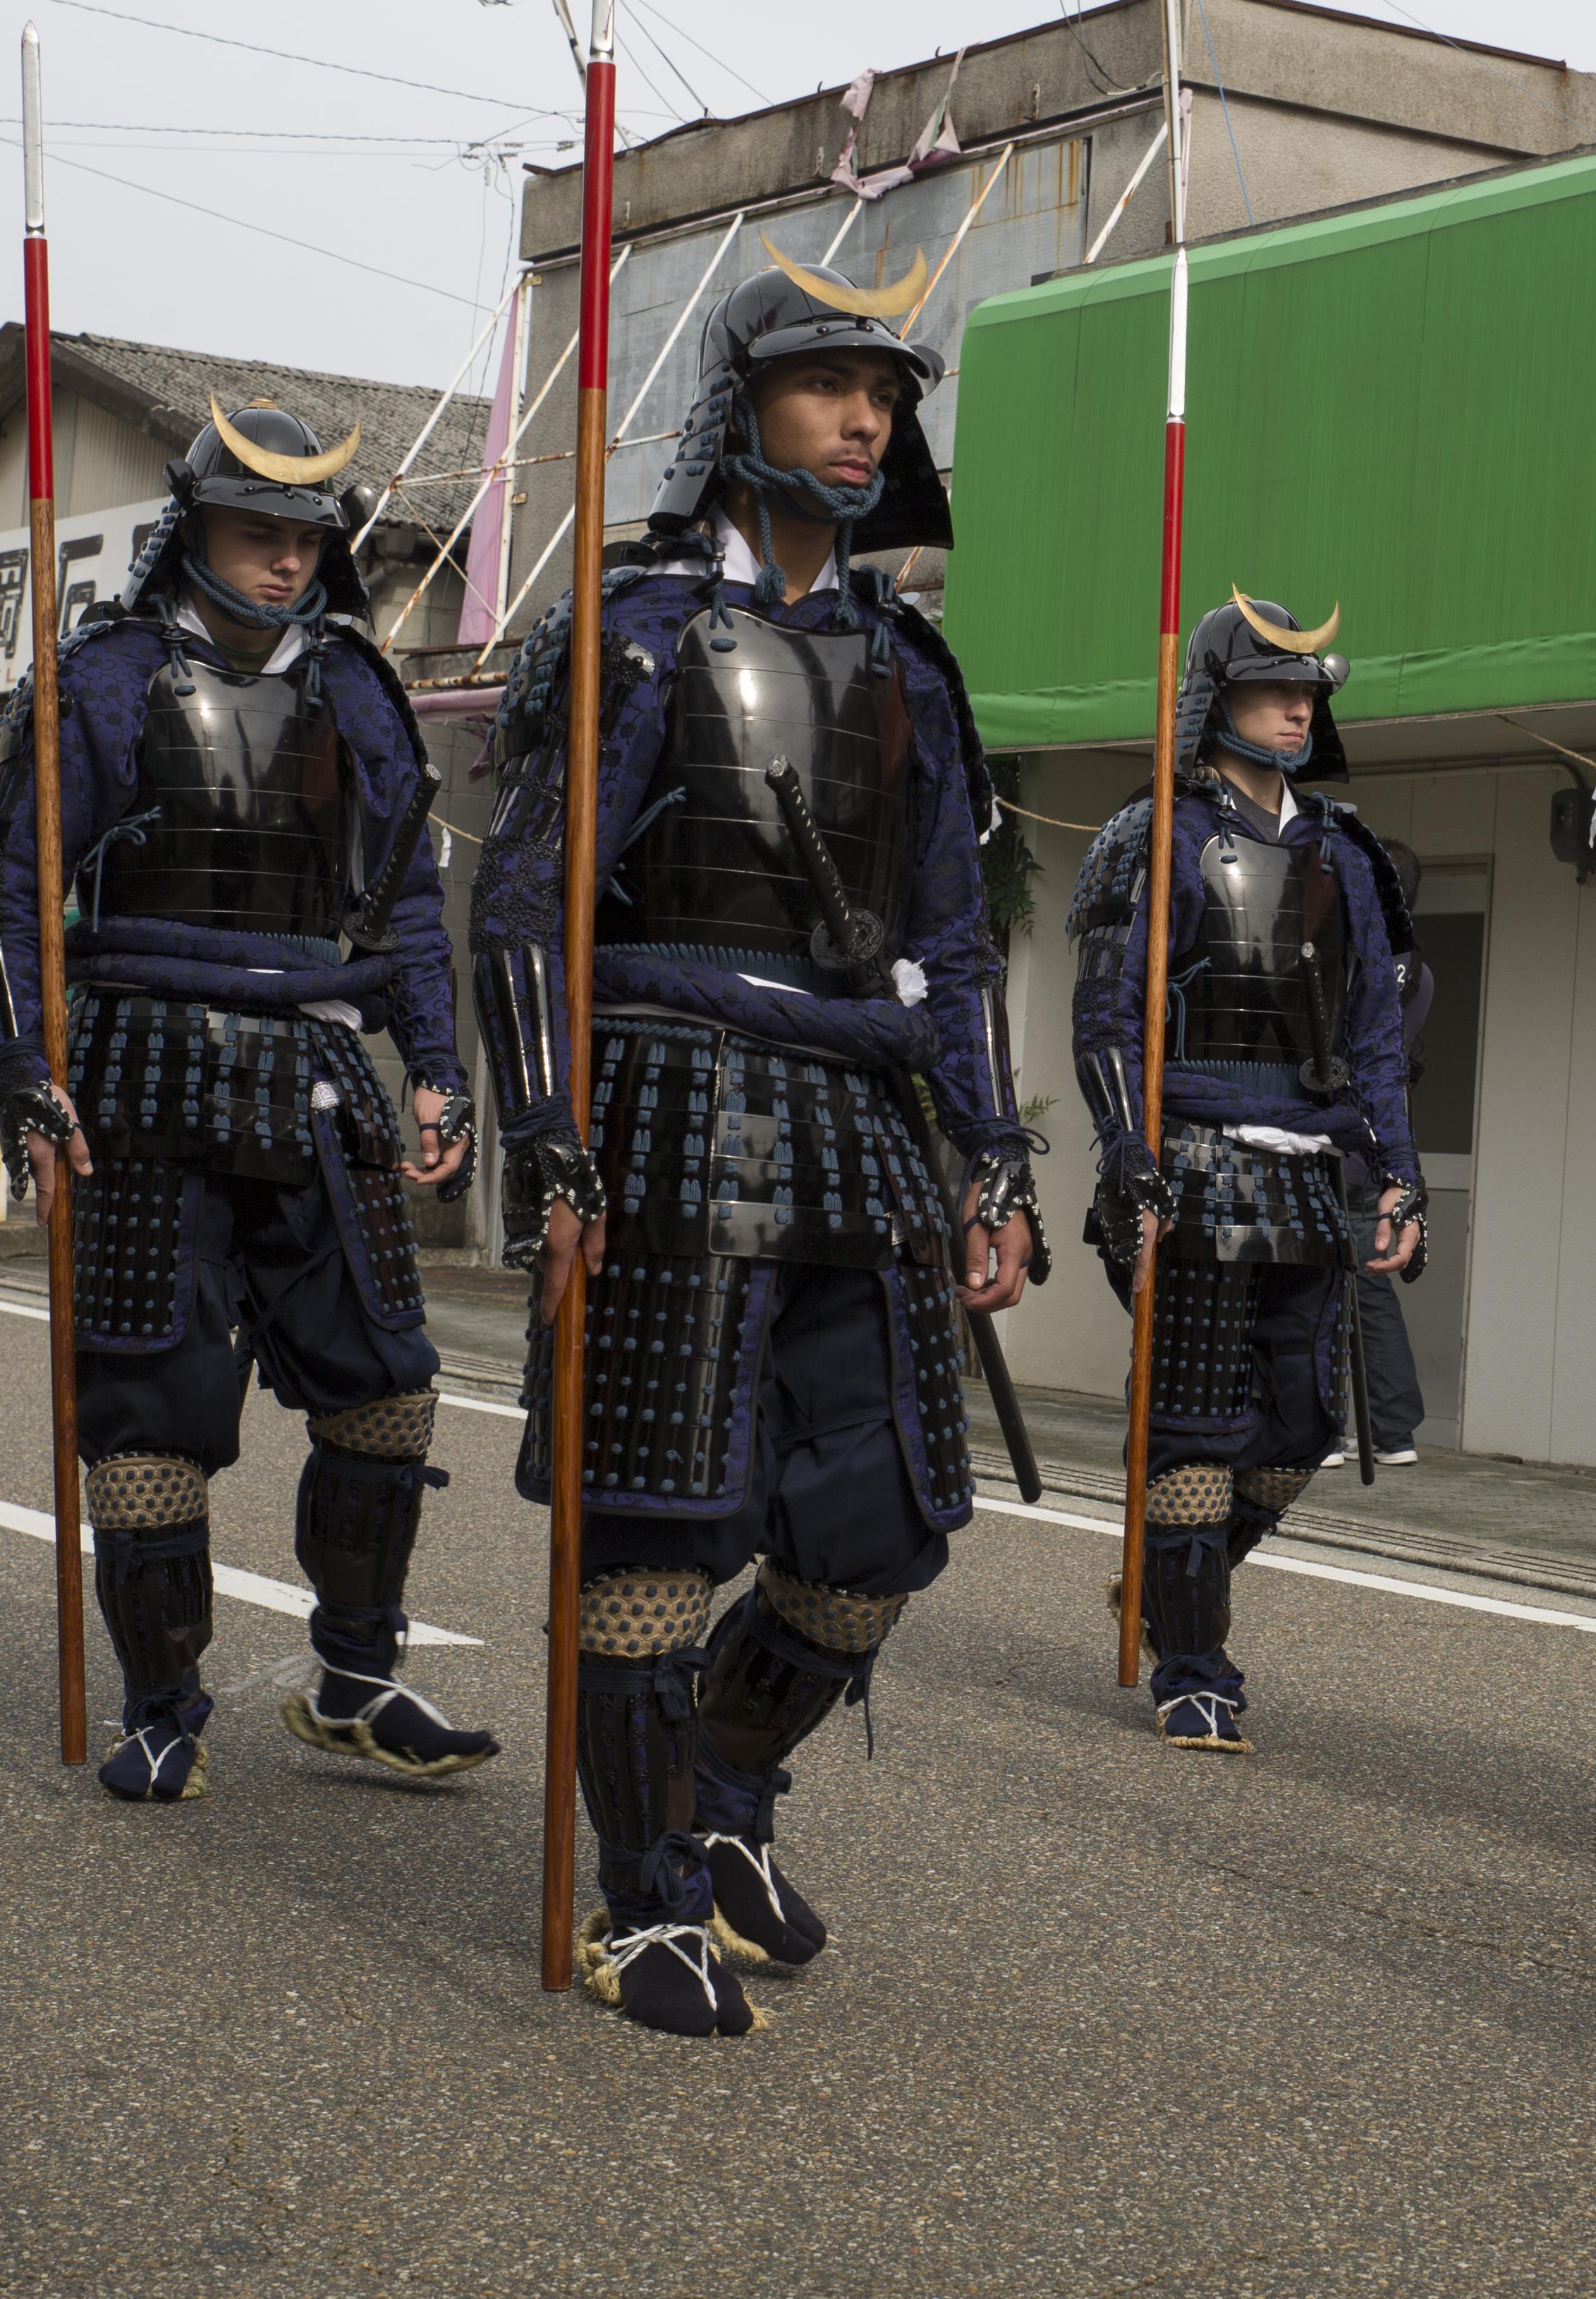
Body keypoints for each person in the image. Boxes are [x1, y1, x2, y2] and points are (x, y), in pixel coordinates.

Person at [470, 249, 1041, 2039]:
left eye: (887, 393)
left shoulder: (908, 668)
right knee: (655, 1532)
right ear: (742, 410)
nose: (867, 418)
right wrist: (551, 1149)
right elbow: (523, 902)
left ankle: (717, 1791)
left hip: (859, 1124)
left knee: (878, 1532)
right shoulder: (634, 633)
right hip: (668, 1098)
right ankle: (640, 1903)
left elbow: (952, 932)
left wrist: (992, 1156)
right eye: (827, 385)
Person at [0, 400, 485, 1807]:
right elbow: (15, 896)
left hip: (322, 1078)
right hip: (141, 1077)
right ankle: (160, 1704)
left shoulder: (364, 693)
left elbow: (407, 912)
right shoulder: (105, 679)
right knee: (148, 1422)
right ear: (192, 526)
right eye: (256, 528)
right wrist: (28, 1070)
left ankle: (357, 1679)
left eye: (306, 534)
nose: (282, 557)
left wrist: (434, 1062)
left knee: (388, 1394)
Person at [1066, 593, 1423, 1752]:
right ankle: (1192, 1660)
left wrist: (1400, 1175)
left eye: (1311, 690)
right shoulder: (1154, 833)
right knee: (1194, 1425)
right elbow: (1109, 1012)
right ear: (1215, 698)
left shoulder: (1346, 854)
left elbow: (1374, 1029)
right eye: (1274, 687)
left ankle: (1175, 1583)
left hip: (1313, 1177)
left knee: (1303, 1421)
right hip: (1196, 1162)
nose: (1297, 707)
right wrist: (1130, 1153)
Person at [1333, 835, 1432, 1467]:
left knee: (1312, 1287)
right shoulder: (1418, 973)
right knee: (1371, 1291)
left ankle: (1323, 1428)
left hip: (1325, 1141)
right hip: (1381, 1150)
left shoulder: (1344, 962)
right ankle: (1393, 1431)